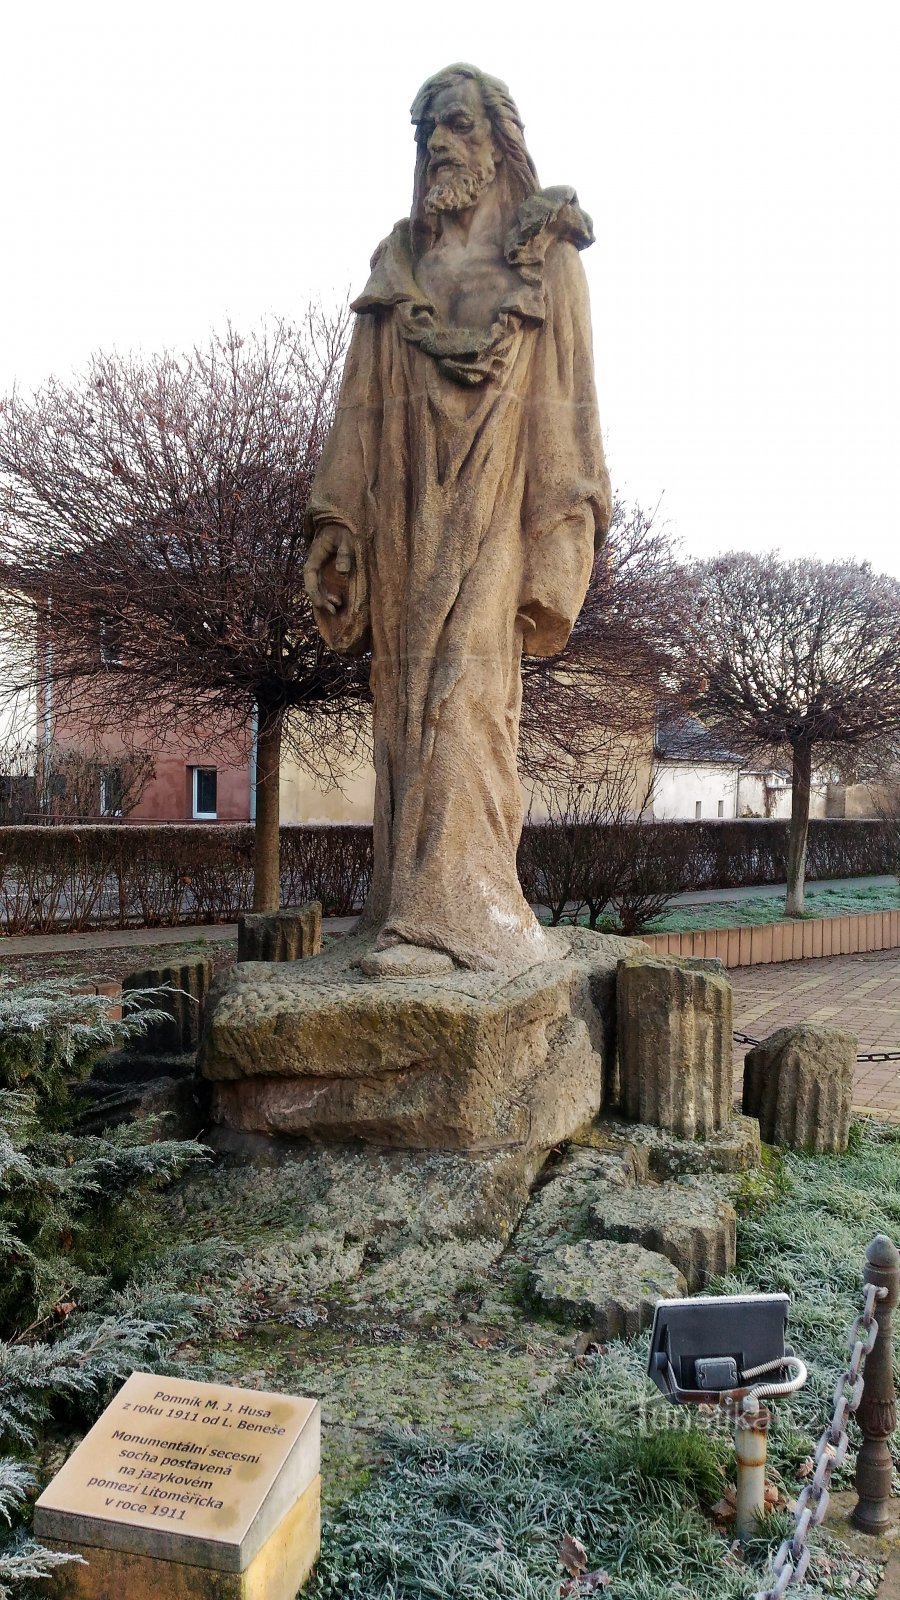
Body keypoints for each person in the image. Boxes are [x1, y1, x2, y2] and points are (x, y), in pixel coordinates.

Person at [304, 64, 610, 976]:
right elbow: (357, 407)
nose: (441, 142)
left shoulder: (543, 262)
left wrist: (559, 539)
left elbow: (571, 407)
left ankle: (463, 921)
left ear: (498, 142)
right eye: (430, 128)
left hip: (493, 522)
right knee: (403, 712)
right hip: (404, 520)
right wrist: (339, 520)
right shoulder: (400, 272)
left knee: (465, 704)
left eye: (460, 124)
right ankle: (405, 909)